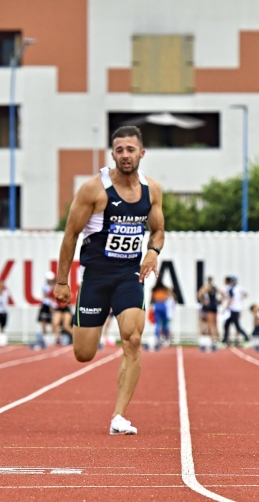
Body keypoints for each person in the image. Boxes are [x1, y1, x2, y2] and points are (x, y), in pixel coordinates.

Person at [54, 125, 164, 435]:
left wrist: (153, 251)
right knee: (83, 353)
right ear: (112, 154)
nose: (125, 155)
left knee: (133, 339)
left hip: (129, 276)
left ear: (141, 153)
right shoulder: (95, 189)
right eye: (119, 150)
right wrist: (63, 282)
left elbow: (157, 229)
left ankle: (118, 416)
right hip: (96, 278)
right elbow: (71, 234)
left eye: (131, 150)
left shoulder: (151, 189)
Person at [223, 276, 249, 345]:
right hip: (231, 309)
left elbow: (246, 294)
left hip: (236, 309)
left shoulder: (239, 288)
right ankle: (225, 339)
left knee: (237, 326)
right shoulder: (229, 288)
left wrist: (240, 299)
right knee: (226, 325)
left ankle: (246, 337)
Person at [197, 277, 220, 343]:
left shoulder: (206, 287)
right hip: (214, 306)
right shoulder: (215, 288)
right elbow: (223, 294)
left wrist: (203, 302)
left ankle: (211, 339)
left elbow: (199, 295)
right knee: (215, 324)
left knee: (210, 324)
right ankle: (218, 339)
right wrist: (219, 302)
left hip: (209, 306)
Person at [37, 271, 57, 343]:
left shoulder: (56, 285)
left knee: (52, 321)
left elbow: (53, 295)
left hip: (52, 306)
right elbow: (46, 295)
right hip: (46, 305)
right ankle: (44, 337)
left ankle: (52, 338)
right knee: (43, 321)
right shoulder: (45, 285)